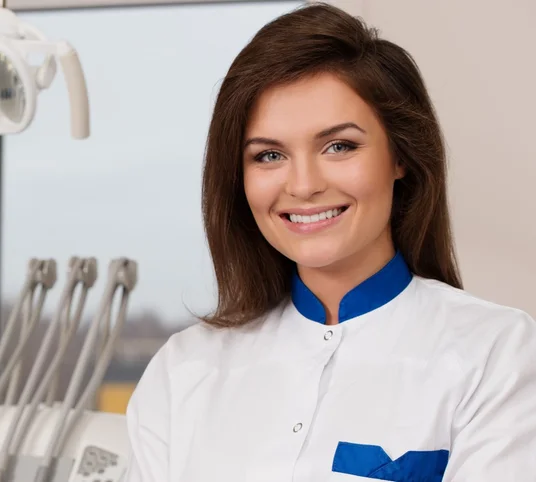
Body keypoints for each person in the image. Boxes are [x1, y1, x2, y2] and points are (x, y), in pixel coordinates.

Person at [125, 3, 536, 481]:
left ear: (400, 156)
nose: (302, 185)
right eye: (269, 154)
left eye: (338, 146)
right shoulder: (185, 368)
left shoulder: (496, 353)